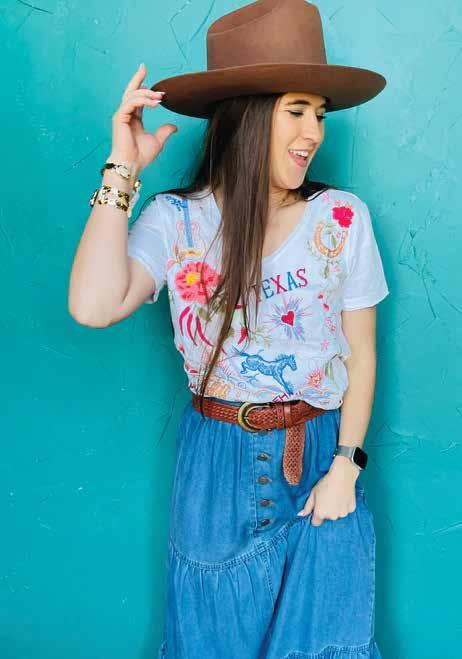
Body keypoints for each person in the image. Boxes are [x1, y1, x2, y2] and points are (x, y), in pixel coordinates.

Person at [68, 1, 390, 657]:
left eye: (320, 114)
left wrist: (347, 465)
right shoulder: (176, 220)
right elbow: (94, 306)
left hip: (318, 458)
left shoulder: (342, 219)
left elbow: (360, 352)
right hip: (214, 466)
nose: (313, 131)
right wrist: (123, 166)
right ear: (247, 113)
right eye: (296, 110)